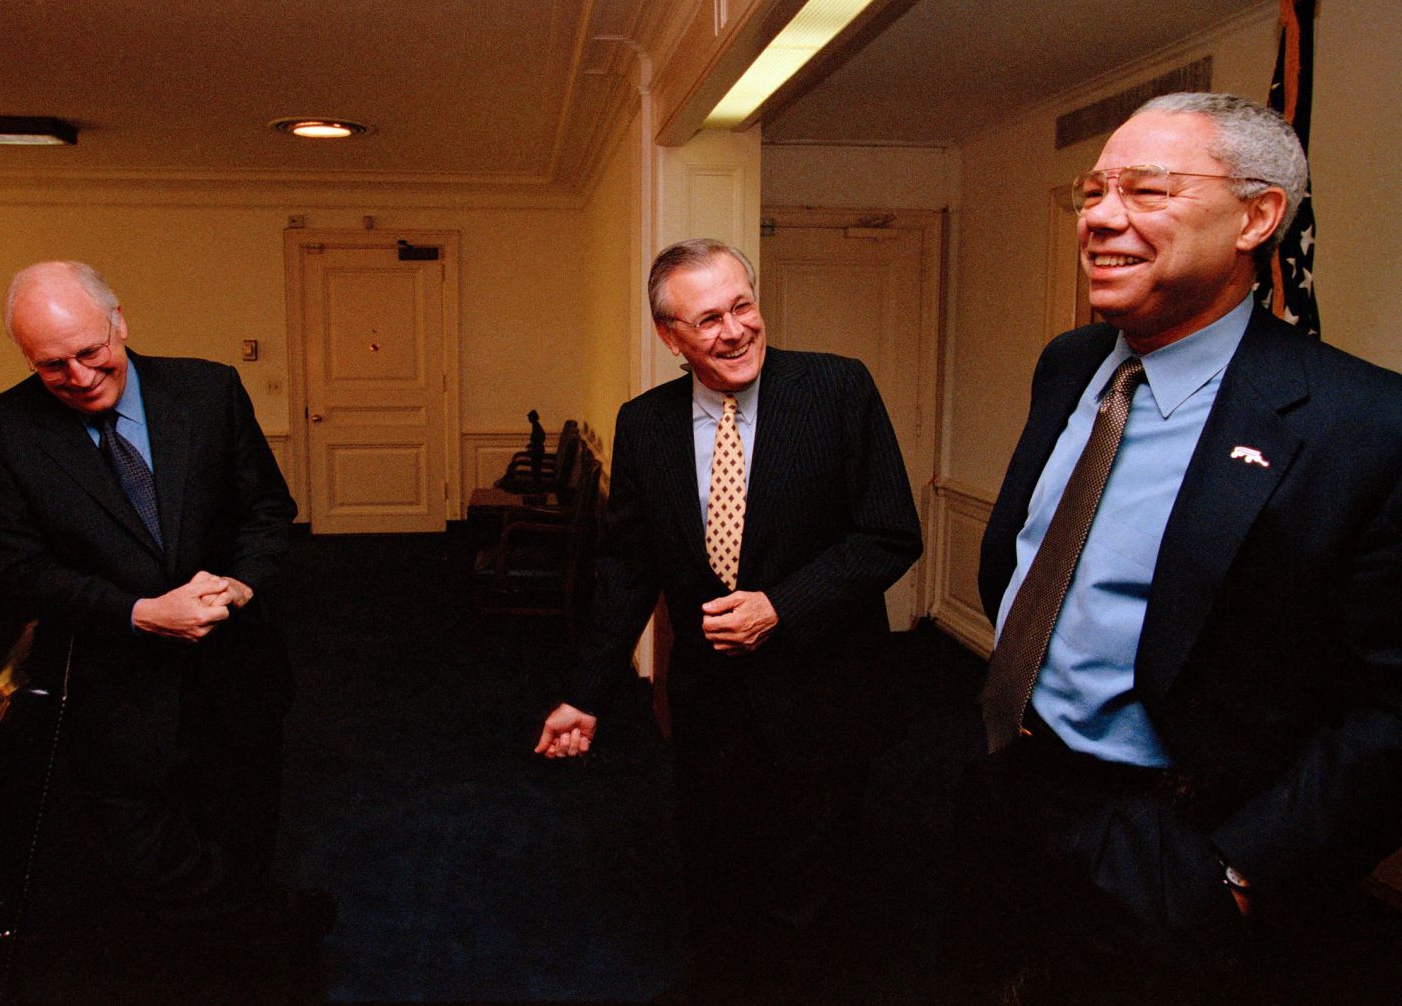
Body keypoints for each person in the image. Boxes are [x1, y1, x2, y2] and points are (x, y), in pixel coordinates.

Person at [970, 93, 1402, 1003]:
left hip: (1171, 842)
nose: (1099, 217)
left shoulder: (1361, 425)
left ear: (1257, 216)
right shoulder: (1070, 363)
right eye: (1095, 191)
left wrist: (1239, 874)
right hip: (1011, 792)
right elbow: (1028, 554)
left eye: (1148, 190)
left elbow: (1388, 707)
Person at [535, 239, 923, 1000]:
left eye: (743, 305)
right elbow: (627, 571)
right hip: (709, 704)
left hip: (821, 696)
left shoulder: (837, 390)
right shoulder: (644, 423)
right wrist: (586, 693)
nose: (736, 329)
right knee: (714, 870)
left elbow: (889, 533)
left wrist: (781, 606)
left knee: (810, 886)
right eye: (708, 318)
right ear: (670, 337)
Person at [0, 261, 333, 949]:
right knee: (145, 863)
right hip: (114, 688)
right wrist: (139, 613)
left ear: (118, 322)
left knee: (243, 828)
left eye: (90, 351)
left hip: (237, 671)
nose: (78, 375)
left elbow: (268, 511)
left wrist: (241, 583)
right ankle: (265, 927)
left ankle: (254, 940)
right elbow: (21, 571)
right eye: (51, 365)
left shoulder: (209, 390)